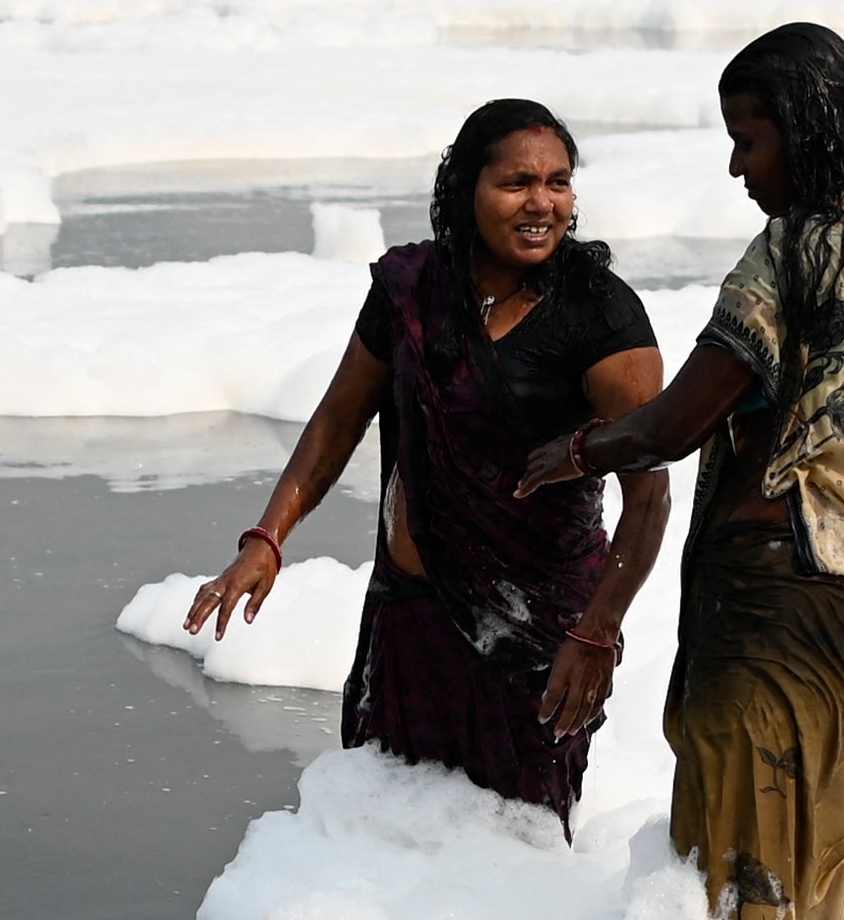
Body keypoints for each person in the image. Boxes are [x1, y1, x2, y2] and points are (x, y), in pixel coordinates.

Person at [516, 21, 844, 920]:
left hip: (777, 606)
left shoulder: (794, 247)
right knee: (832, 897)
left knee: (739, 887)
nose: (735, 165)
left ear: (805, 135)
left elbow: (680, 420)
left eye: (750, 139)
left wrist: (579, 450)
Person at [187, 98, 670, 824]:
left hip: (537, 634)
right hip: (409, 623)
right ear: (466, 190)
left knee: (516, 848)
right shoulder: (413, 292)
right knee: (385, 833)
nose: (543, 202)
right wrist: (267, 539)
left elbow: (650, 497)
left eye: (560, 181)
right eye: (517, 183)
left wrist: (597, 633)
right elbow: (338, 420)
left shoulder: (600, 316)